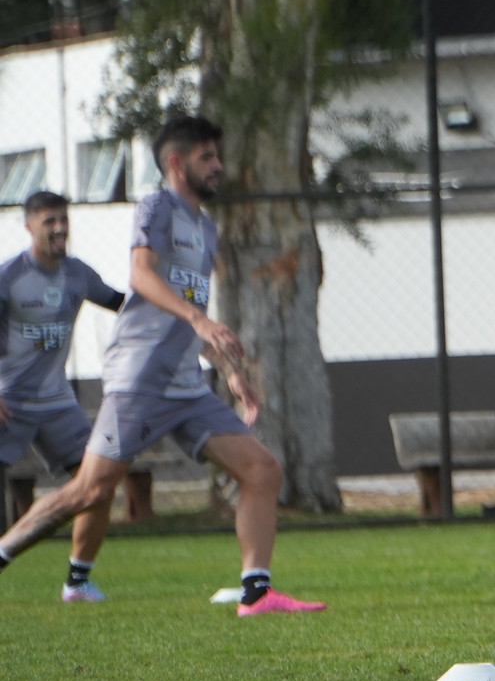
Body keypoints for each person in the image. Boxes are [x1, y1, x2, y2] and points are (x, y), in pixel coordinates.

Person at [0, 117, 326, 615]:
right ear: (177, 163)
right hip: (140, 378)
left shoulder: (207, 227)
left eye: (217, 156)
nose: (218, 166)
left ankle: (256, 594)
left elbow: (188, 307)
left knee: (262, 470)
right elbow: (141, 275)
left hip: (187, 385)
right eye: (207, 158)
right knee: (90, 490)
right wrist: (199, 318)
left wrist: (229, 369)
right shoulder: (157, 207)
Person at [0, 192, 126, 601]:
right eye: (49, 221)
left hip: (58, 405)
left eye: (63, 220)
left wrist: (171, 309)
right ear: (29, 226)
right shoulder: (9, 278)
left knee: (98, 485)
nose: (59, 228)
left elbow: (121, 304)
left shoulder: (78, 275)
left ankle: (78, 581)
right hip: (8, 402)